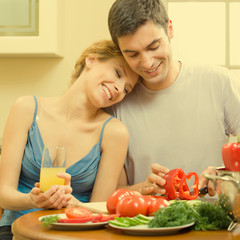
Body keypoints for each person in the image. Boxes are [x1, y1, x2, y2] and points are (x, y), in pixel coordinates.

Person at [0, 39, 139, 239]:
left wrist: (74, 204)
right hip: (16, 230)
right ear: (91, 60)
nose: (119, 88)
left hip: (74, 234)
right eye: (117, 73)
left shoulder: (115, 133)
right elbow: (4, 196)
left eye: (126, 89)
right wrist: (33, 200)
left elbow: (98, 211)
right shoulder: (26, 108)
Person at [107, 0, 240, 196]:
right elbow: (111, 192)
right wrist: (142, 189)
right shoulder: (117, 103)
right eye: (133, 54)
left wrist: (223, 173)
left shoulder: (219, 82)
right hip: (148, 222)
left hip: (214, 221)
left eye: (153, 46)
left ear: (170, 29)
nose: (147, 62)